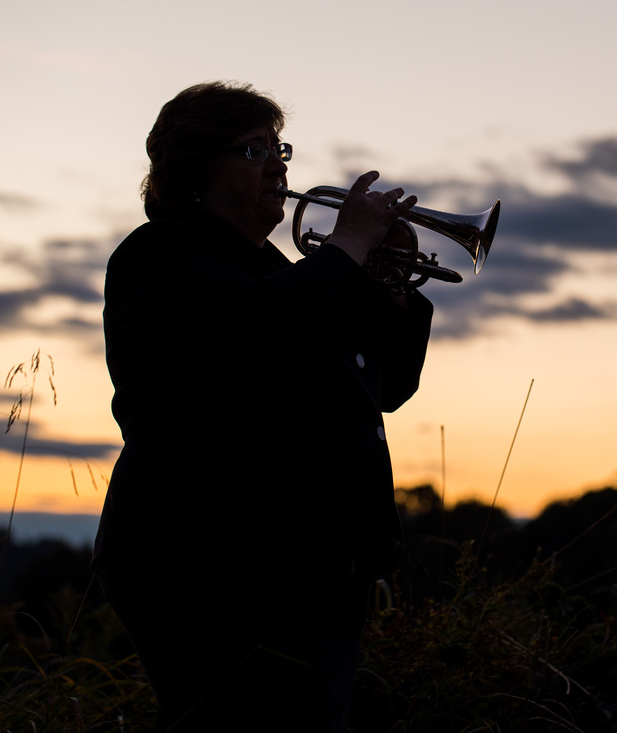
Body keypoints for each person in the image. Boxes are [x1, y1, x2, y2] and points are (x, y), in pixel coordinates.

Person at [92, 81, 432, 731]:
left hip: (291, 565)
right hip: (205, 560)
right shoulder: (162, 255)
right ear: (195, 169)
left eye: (280, 147)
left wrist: (389, 287)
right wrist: (348, 249)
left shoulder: (273, 267)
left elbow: (383, 386)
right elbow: (256, 334)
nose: (278, 164)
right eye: (254, 149)